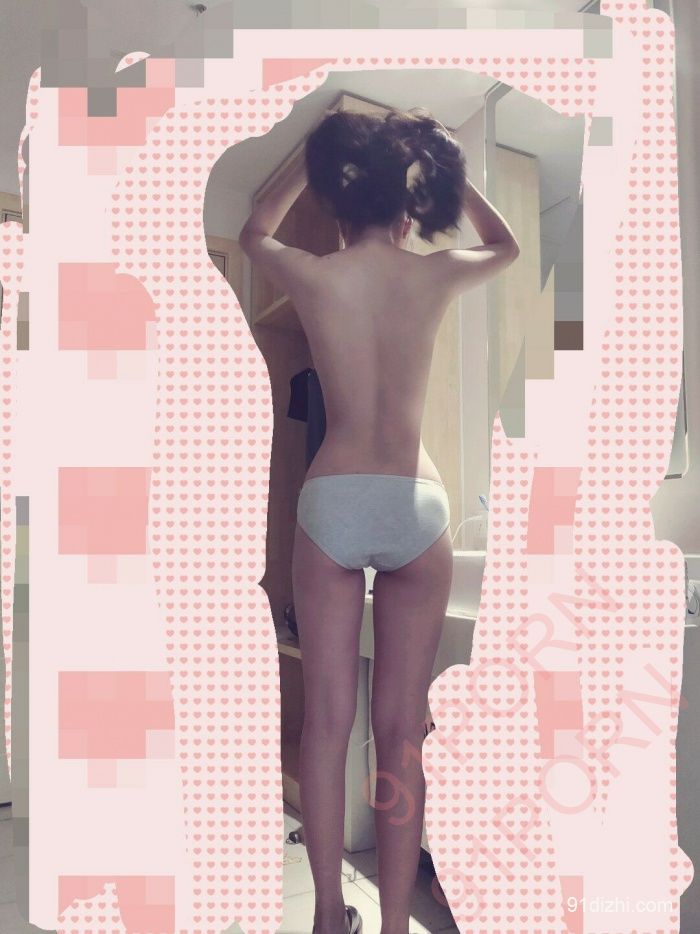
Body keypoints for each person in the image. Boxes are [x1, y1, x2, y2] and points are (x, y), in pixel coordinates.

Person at [239, 106, 520, 934]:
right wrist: (446, 167)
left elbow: (253, 233)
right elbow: (504, 246)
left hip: (333, 498)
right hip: (414, 501)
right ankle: (395, 923)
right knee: (401, 735)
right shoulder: (433, 274)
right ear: (409, 209)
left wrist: (316, 154)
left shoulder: (316, 274)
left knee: (327, 724)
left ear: (338, 208)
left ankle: (330, 917)